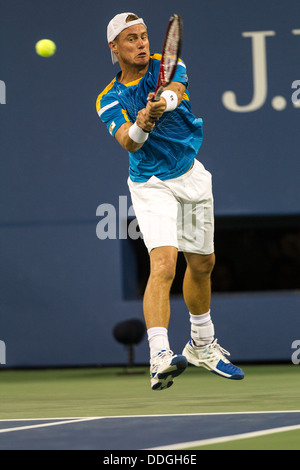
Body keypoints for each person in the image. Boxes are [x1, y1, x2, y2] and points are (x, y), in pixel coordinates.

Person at [96, 12, 244, 390]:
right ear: (115, 47)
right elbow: (128, 142)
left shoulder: (170, 65)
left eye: (145, 36)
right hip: (151, 183)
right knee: (164, 263)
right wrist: (142, 122)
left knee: (204, 262)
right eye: (132, 39)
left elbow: (174, 91)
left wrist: (160, 102)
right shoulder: (108, 98)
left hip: (190, 173)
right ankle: (159, 355)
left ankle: (202, 345)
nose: (142, 43)